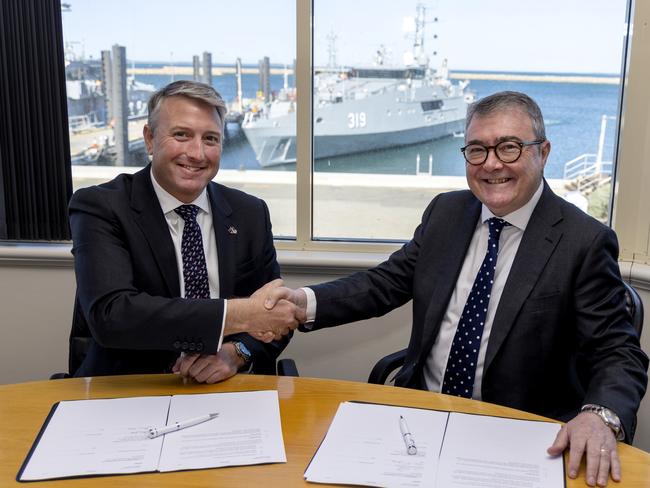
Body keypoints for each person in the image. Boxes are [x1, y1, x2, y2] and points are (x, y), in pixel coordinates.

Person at [265, 91, 648, 487]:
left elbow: (617, 352)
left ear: (543, 152)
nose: (492, 164)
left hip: (516, 431)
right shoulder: (446, 212)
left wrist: (599, 414)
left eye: (510, 148)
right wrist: (302, 303)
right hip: (421, 416)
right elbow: (385, 283)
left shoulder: (583, 241)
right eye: (477, 150)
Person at [69, 80, 297, 383]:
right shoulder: (100, 207)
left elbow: (275, 317)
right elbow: (113, 315)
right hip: (129, 389)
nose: (197, 153)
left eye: (211, 139)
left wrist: (236, 352)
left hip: (225, 389)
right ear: (150, 140)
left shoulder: (250, 213)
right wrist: (239, 315)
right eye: (181, 135)